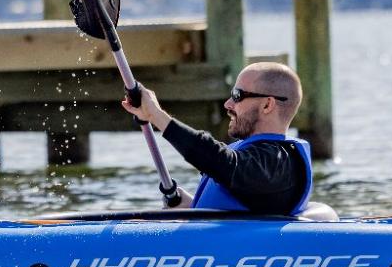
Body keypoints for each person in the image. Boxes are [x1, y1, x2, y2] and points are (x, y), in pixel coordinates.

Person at [119, 60, 313, 215]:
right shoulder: (255, 164)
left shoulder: (277, 163)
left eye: (238, 96)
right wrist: (192, 206)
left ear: (267, 105)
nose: (228, 104)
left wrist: (156, 116)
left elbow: (218, 160)